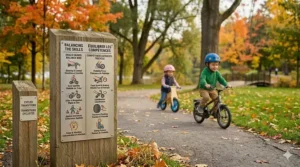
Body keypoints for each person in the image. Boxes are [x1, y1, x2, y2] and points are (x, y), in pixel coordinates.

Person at [198, 53, 230, 117]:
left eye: (217, 65)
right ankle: (200, 107)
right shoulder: (205, 71)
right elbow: (202, 79)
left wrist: (226, 85)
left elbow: (221, 79)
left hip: (212, 89)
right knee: (206, 97)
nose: (215, 66)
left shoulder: (217, 73)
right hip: (204, 88)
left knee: (217, 100)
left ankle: (214, 111)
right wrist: (205, 84)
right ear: (207, 64)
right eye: (213, 65)